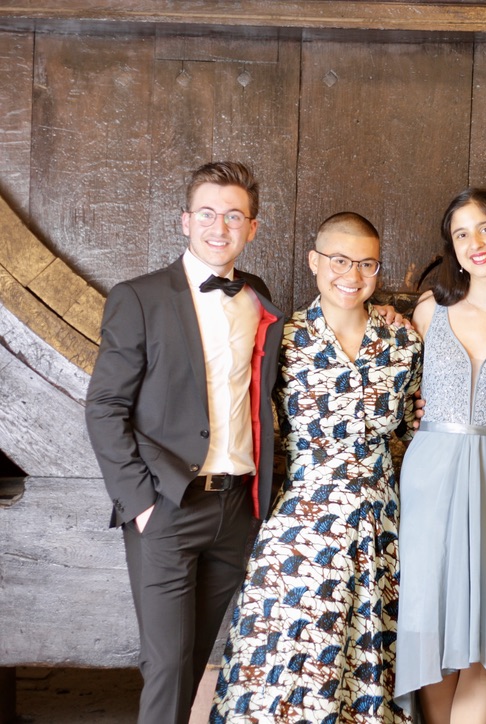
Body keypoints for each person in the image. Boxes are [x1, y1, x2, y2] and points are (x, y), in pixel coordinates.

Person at [85, 161, 286, 724]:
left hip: (236, 508)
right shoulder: (139, 297)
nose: (219, 227)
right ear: (185, 221)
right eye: (207, 214)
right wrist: (141, 504)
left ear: (252, 227)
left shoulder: (258, 296)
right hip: (167, 506)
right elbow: (104, 407)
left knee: (195, 661)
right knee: (168, 665)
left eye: (234, 216)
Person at [210, 212, 422, 723]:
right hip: (302, 523)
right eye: (340, 261)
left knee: (365, 671)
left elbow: (415, 428)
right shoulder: (280, 340)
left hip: (379, 530)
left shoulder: (403, 343)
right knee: (283, 665)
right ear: (314, 261)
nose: (353, 275)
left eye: (367, 264)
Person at [395, 188, 486, 724]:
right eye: (461, 234)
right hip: (430, 476)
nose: (475, 242)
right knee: (429, 621)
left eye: (485, 228)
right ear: (452, 248)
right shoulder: (428, 311)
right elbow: (392, 390)